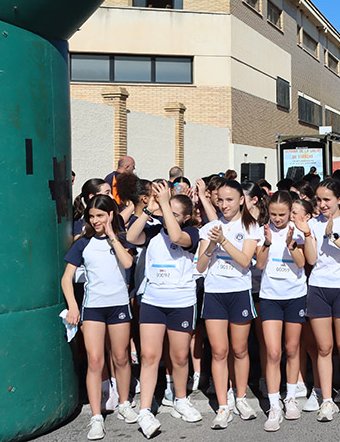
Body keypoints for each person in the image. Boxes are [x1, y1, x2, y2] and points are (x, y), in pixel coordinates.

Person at [125, 182, 203, 437]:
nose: (167, 214)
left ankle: (180, 400)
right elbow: (131, 237)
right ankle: (145, 410)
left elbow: (178, 238)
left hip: (181, 302)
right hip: (153, 301)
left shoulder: (191, 232)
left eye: (174, 212)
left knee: (179, 358)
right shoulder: (153, 230)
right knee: (149, 356)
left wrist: (166, 204)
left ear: (186, 217)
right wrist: (149, 209)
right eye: (166, 210)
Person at [62, 194, 136, 440]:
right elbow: (66, 278)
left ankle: (124, 403)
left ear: (111, 215)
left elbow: (127, 263)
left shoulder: (122, 239)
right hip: (93, 308)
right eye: (92, 216)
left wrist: (112, 235)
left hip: (119, 306)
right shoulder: (83, 243)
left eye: (100, 215)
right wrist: (73, 307)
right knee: (95, 361)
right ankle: (96, 417)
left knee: (121, 357)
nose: (95, 220)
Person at [195, 179, 264, 429]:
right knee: (218, 351)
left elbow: (245, 261)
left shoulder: (251, 226)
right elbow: (200, 266)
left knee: (240, 349)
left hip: (239, 292)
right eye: (220, 200)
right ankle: (223, 405)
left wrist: (223, 241)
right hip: (215, 293)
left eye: (229, 200)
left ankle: (241, 397)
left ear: (241, 200)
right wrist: (212, 244)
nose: (224, 205)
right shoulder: (209, 228)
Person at [304, 179, 340, 422]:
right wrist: (308, 233)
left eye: (327, 199)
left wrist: (334, 237)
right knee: (324, 348)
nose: (322, 204)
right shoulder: (311, 223)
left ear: (339, 199)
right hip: (318, 287)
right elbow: (311, 259)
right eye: (318, 200)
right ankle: (326, 400)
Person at [255, 190, 308, 431]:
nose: (277, 219)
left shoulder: (298, 231)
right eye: (273, 214)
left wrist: (290, 244)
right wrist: (267, 242)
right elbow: (260, 264)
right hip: (270, 297)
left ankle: (291, 397)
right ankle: (274, 405)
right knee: (273, 352)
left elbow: (302, 262)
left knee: (292, 348)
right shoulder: (262, 231)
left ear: (290, 212)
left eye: (282, 214)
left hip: (295, 295)